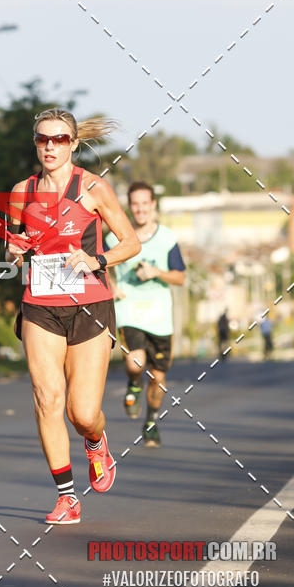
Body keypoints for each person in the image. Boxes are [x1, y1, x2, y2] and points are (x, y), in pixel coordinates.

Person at [2, 109, 140, 525]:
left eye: (60, 139)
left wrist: (96, 259)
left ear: (73, 144)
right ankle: (66, 497)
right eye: (43, 139)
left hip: (90, 306)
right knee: (47, 399)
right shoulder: (20, 192)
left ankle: (97, 442)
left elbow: (130, 242)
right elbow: (10, 248)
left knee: (81, 412)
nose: (50, 146)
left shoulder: (94, 188)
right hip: (39, 304)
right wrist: (15, 249)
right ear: (35, 142)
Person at [105, 181, 186, 447]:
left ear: (152, 205)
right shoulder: (114, 237)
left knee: (159, 378)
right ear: (129, 207)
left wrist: (156, 273)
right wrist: (112, 287)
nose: (139, 209)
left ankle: (151, 421)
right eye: (135, 204)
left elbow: (180, 277)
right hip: (129, 310)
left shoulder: (167, 238)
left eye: (144, 204)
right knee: (134, 363)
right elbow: (101, 264)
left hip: (160, 316)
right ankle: (133, 384)